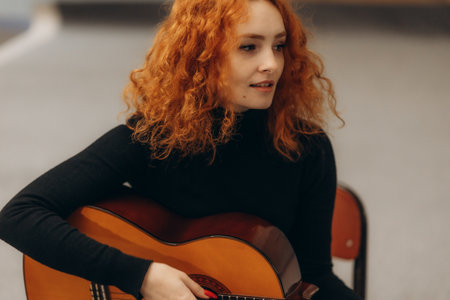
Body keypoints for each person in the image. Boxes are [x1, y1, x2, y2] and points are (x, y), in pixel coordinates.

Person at [0, 0, 362, 299]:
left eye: (278, 45)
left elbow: (314, 277)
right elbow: (19, 215)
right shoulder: (155, 138)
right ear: (203, 56)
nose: (271, 63)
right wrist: (142, 277)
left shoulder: (306, 149)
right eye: (249, 47)